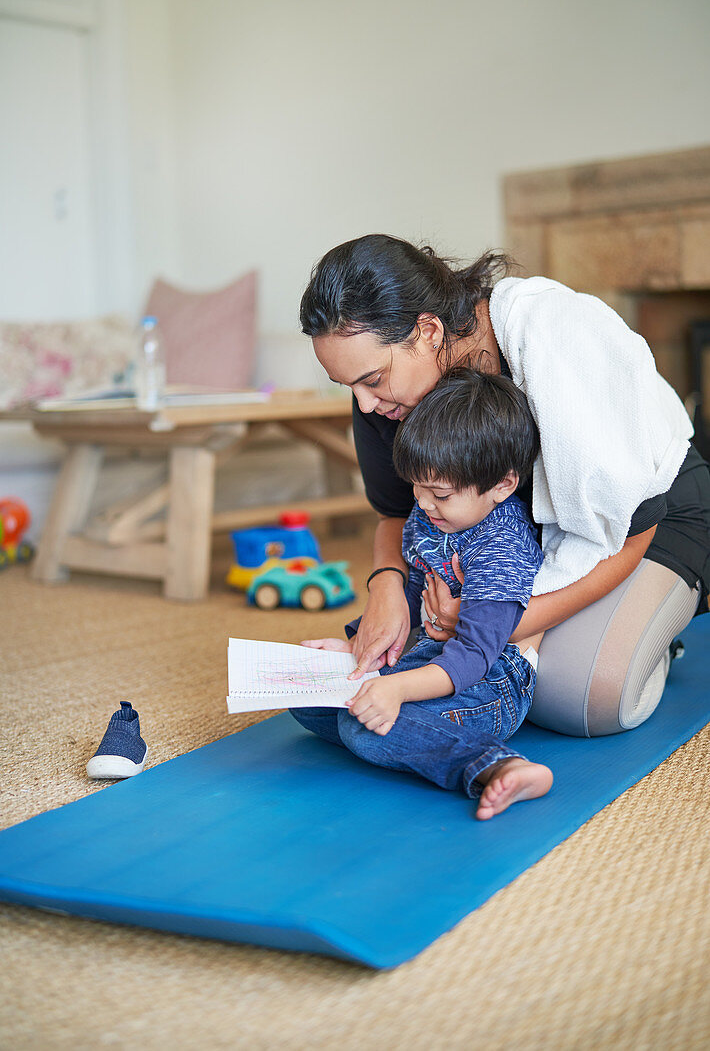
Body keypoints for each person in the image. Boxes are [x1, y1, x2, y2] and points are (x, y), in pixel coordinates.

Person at [300, 234, 710, 738]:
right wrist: (385, 584)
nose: (364, 405)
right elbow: (394, 512)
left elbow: (629, 528)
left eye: (372, 379)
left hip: (651, 519)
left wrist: (496, 625)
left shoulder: (556, 339)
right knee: (391, 670)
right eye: (350, 387)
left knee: (581, 698)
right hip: (502, 543)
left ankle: (661, 630)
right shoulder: (385, 397)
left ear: (428, 330)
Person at [293, 367, 552, 819]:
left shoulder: (500, 546)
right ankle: (409, 728)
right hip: (429, 658)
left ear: (503, 485)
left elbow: (473, 655)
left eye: (440, 494)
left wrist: (395, 689)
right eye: (417, 488)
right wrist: (356, 650)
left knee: (364, 730)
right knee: (306, 699)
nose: (425, 503)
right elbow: (412, 594)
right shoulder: (431, 515)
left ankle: (496, 766)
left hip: (490, 680)